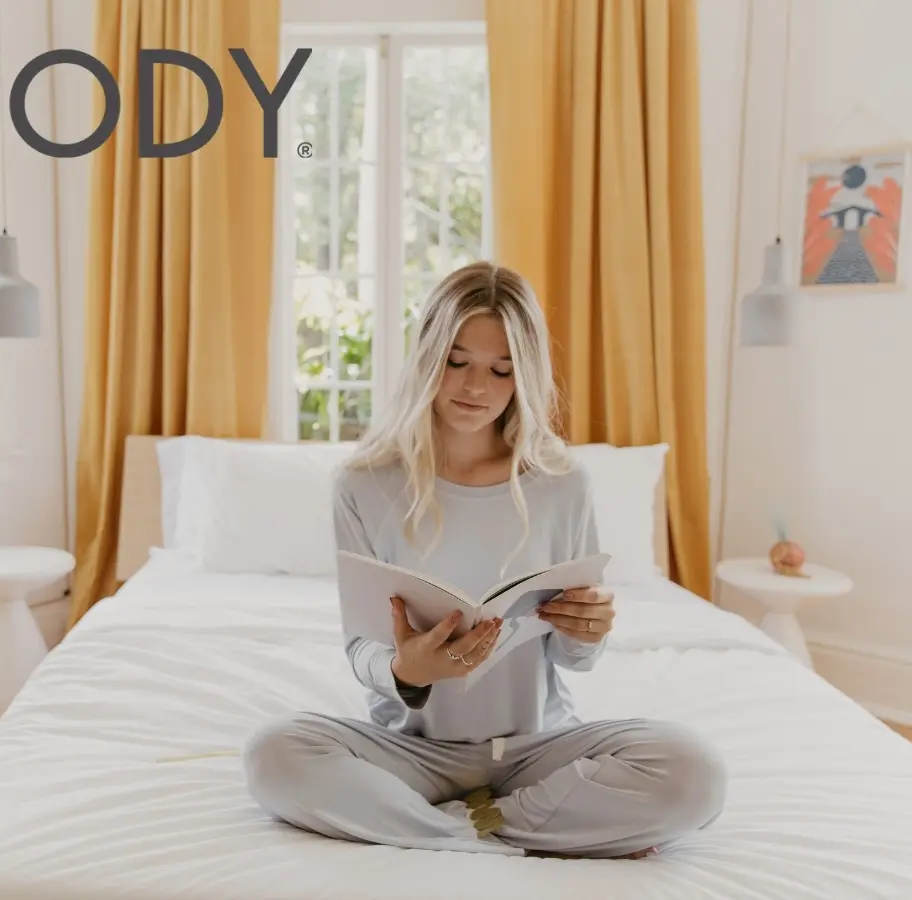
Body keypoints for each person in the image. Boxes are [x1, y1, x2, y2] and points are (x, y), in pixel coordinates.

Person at [242, 261, 725, 859]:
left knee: (694, 772)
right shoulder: (363, 483)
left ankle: (446, 826)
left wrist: (588, 630)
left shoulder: (562, 483)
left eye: (502, 370)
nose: (476, 388)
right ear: (427, 357)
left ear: (525, 375)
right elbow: (362, 650)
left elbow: (575, 661)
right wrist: (408, 673)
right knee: (274, 754)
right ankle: (493, 832)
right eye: (457, 362)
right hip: (411, 751)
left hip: (538, 747)